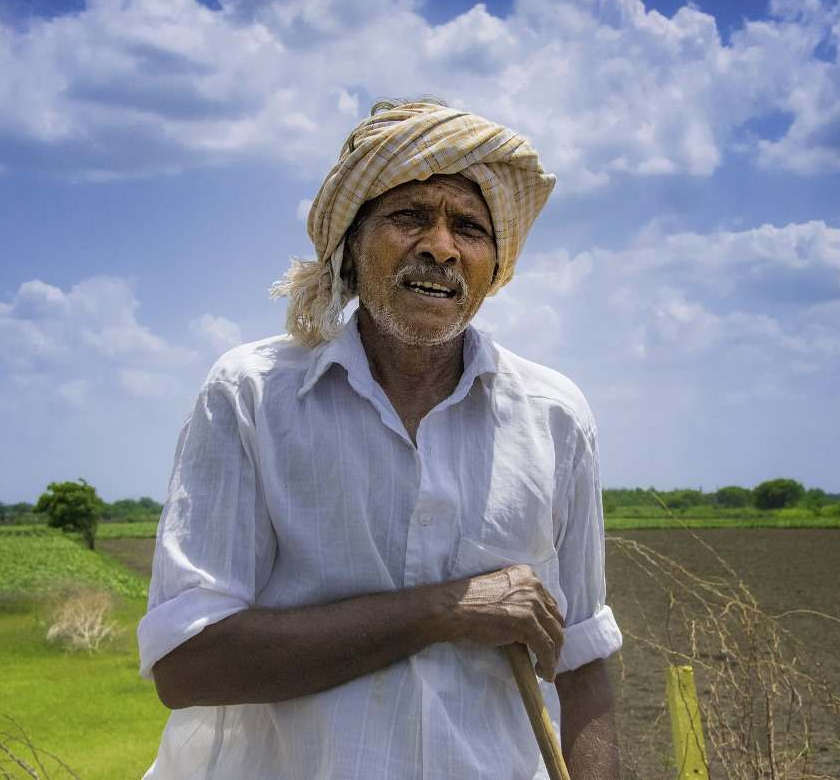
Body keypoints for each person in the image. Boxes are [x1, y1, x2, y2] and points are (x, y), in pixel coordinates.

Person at [138, 100, 623, 780]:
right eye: (409, 217)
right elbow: (189, 664)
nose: (440, 246)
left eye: (471, 228)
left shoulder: (553, 416)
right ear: (351, 244)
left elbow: (583, 659)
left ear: (496, 264)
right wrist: (446, 611)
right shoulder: (254, 395)